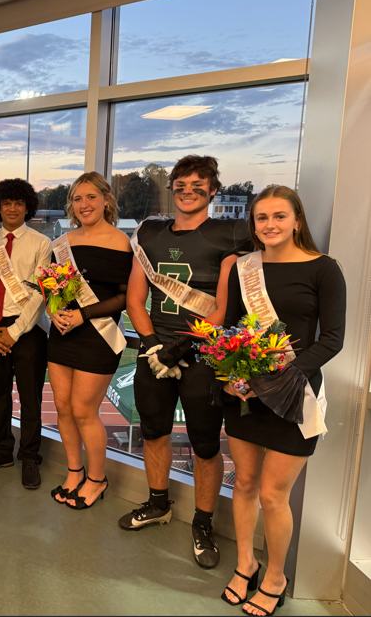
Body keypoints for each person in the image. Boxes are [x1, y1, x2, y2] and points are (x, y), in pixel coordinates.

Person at [219, 186, 345, 615]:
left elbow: (332, 339)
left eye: (279, 216)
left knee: (273, 495)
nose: (269, 225)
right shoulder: (243, 268)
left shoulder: (324, 270)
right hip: (246, 395)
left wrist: (277, 375)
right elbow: (234, 325)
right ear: (253, 224)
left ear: (297, 220)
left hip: (297, 392)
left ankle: (275, 576)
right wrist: (234, 375)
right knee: (245, 483)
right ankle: (244, 563)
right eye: (261, 218)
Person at [122, 155, 250, 569]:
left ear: (213, 190)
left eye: (199, 184)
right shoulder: (151, 232)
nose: (189, 190)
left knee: (205, 443)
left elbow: (227, 306)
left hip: (202, 354)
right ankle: (159, 503)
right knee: (154, 430)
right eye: (181, 183)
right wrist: (152, 344)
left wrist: (184, 346)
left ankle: (203, 522)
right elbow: (135, 298)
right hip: (155, 351)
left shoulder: (230, 233)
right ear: (172, 188)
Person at [47, 173, 133, 509]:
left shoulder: (122, 242)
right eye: (78, 199)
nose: (84, 205)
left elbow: (125, 297)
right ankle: (74, 471)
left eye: (91, 197)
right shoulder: (63, 242)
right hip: (63, 332)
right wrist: (52, 311)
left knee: (84, 410)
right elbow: (53, 289)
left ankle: (97, 479)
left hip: (97, 336)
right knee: (63, 408)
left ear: (106, 200)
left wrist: (83, 315)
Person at [0, 178, 51, 489]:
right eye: (7, 203)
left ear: (27, 207)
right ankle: (1, 450)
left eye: (19, 203)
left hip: (26, 331)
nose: (13, 208)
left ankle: (29, 456)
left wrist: (14, 332)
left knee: (30, 398)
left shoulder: (42, 245)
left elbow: (39, 295)